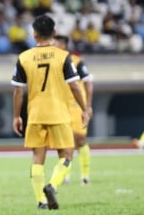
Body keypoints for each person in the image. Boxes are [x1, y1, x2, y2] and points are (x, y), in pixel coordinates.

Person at [11, 15, 89, 210]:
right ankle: (52, 185)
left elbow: (18, 90)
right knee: (67, 154)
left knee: (38, 156)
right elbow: (75, 87)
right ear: (54, 33)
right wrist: (84, 108)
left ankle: (40, 200)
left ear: (34, 33)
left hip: (35, 114)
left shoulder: (24, 57)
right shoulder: (63, 56)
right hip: (58, 113)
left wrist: (16, 116)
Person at [53, 35, 94, 185]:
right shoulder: (53, 62)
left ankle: (85, 175)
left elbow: (88, 83)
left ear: (63, 45)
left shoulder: (77, 62)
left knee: (80, 139)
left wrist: (87, 106)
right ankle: (65, 175)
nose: (52, 45)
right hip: (60, 106)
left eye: (55, 43)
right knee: (64, 142)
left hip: (77, 106)